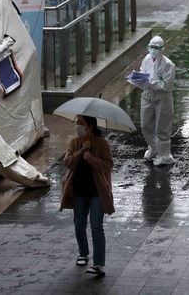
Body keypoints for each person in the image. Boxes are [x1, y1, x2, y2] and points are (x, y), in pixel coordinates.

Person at [60, 115, 114, 277]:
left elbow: (108, 165)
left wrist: (92, 159)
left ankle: (99, 264)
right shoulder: (75, 142)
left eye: (81, 124)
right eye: (77, 124)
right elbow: (68, 162)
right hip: (79, 192)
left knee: (96, 226)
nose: (78, 127)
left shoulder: (102, 144)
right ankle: (83, 253)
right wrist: (81, 151)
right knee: (79, 225)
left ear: (90, 126)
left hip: (97, 192)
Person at [140, 36, 176, 166]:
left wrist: (151, 82)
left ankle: (165, 155)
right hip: (147, 95)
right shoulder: (146, 59)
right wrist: (139, 80)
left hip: (163, 98)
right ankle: (154, 148)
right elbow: (142, 74)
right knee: (145, 125)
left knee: (162, 127)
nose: (153, 50)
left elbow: (166, 86)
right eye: (151, 47)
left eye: (156, 48)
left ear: (162, 49)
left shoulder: (169, 64)